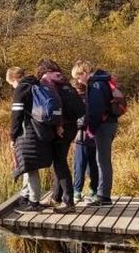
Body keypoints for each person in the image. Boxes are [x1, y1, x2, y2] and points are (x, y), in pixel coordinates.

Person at [38, 59, 84, 212]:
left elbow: (55, 105)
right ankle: (56, 197)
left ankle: (68, 201)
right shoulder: (63, 80)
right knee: (60, 160)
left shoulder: (49, 81)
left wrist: (58, 126)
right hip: (72, 126)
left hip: (62, 127)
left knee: (59, 163)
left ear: (44, 70)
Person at [7, 66, 52, 212]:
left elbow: (16, 116)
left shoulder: (21, 89)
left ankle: (34, 203)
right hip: (41, 131)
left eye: (11, 84)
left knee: (31, 167)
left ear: (14, 79)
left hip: (27, 132)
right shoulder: (37, 85)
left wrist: (13, 136)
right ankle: (25, 196)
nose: (13, 87)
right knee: (30, 165)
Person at [74, 61, 118, 206]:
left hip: (104, 126)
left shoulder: (96, 85)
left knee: (102, 161)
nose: (78, 81)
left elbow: (95, 110)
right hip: (108, 124)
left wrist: (90, 129)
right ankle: (102, 194)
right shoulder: (102, 81)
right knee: (102, 160)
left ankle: (103, 196)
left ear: (84, 73)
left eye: (78, 77)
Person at [71, 61, 99, 203]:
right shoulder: (95, 92)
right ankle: (93, 190)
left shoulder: (81, 98)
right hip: (94, 134)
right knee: (93, 164)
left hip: (82, 135)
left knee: (79, 164)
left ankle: (77, 192)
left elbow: (79, 117)